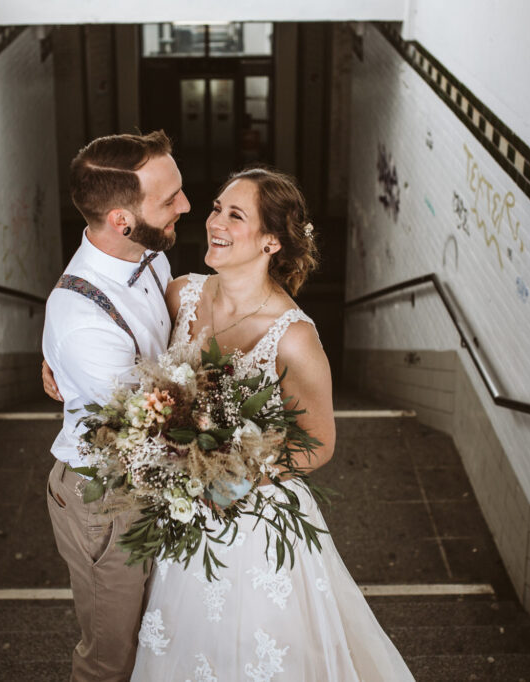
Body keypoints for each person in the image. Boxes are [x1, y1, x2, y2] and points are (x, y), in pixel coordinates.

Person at [129, 168, 415, 680]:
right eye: (216, 208)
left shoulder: (294, 337)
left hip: (256, 520)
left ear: (271, 242)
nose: (215, 221)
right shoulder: (181, 295)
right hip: (184, 512)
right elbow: (135, 365)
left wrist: (235, 475)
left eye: (234, 215)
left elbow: (320, 442)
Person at [40, 130, 190, 681]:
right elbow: (146, 435)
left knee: (160, 636)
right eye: (169, 199)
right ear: (122, 221)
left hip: (157, 479)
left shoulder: (148, 255)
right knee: (111, 660)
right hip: (107, 500)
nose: (186, 205)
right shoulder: (83, 321)